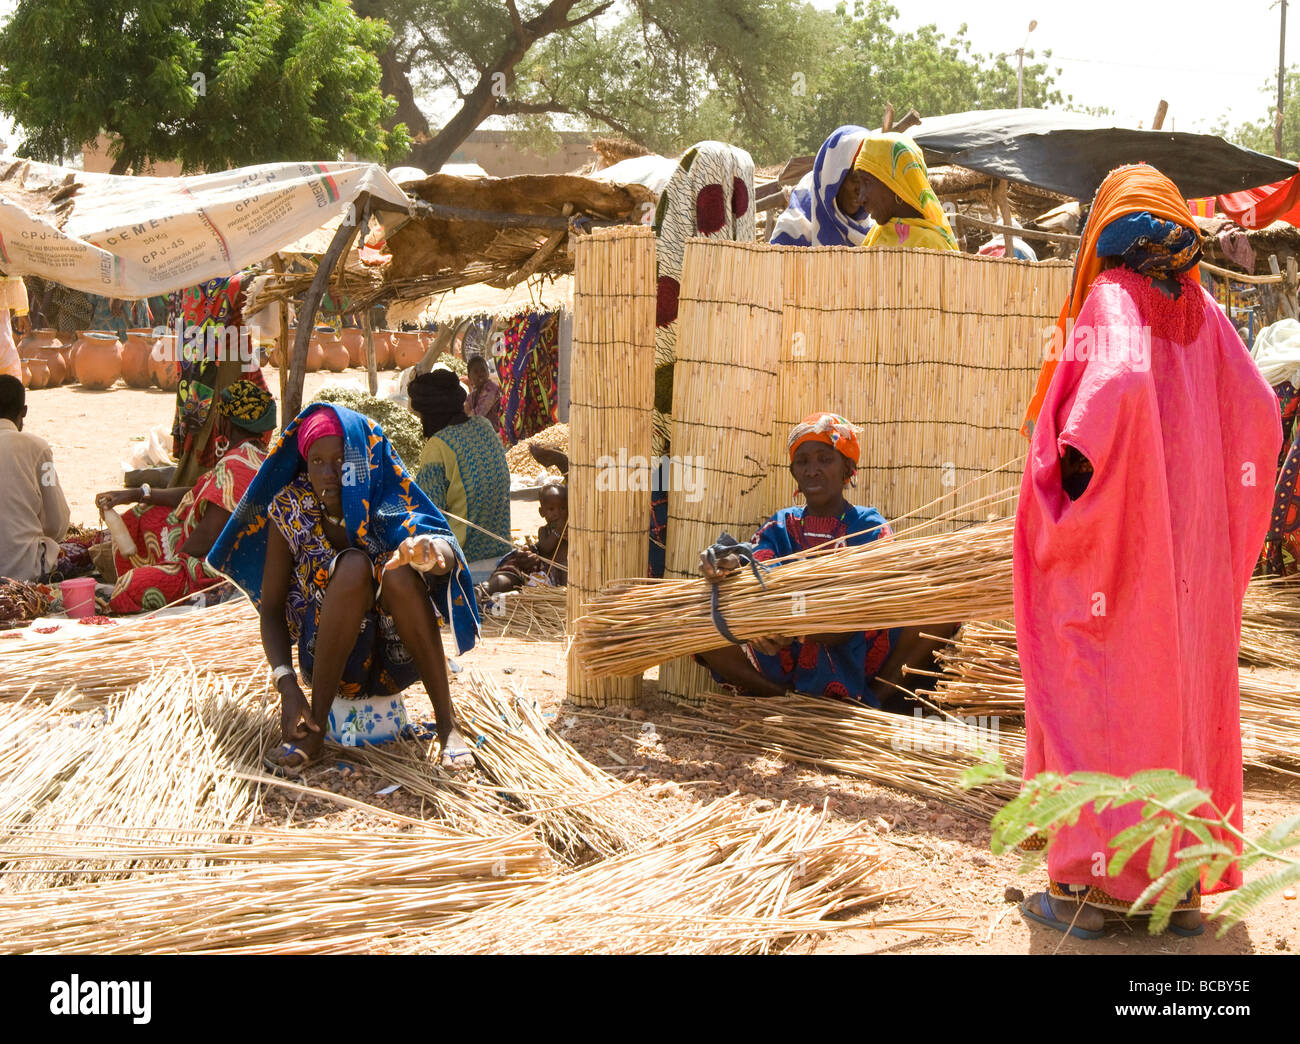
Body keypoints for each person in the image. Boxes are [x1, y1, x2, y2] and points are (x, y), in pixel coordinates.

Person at [1014, 164, 1282, 939]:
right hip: (1190, 567)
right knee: (1180, 707)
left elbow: (1118, 384)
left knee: (1099, 694)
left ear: (1104, 233)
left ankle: (1086, 897)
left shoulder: (1111, 298)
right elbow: (1263, 415)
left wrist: (1080, 479)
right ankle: (1183, 895)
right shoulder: (1203, 311)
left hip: (1118, 557)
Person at [207, 404, 481, 773]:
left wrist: (430, 555)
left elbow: (441, 546)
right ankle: (316, 730)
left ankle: (447, 725)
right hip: (326, 663)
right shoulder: (291, 507)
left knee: (398, 574)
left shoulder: (386, 499)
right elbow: (270, 609)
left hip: (398, 660)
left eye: (341, 459)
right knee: (352, 566)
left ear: (362, 459)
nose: (329, 473)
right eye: (316, 461)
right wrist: (286, 685)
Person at [697, 413, 944, 705]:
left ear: (847, 469)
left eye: (825, 459)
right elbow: (758, 568)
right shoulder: (781, 526)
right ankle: (787, 701)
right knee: (699, 622)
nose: (812, 470)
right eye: (802, 462)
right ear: (794, 473)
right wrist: (728, 569)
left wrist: (794, 622)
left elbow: (858, 608)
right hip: (785, 655)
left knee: (943, 608)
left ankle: (872, 703)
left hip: (856, 654)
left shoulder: (869, 526)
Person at [95, 381, 275, 613]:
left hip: (215, 570)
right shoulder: (253, 455)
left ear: (225, 422)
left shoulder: (234, 467)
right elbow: (195, 491)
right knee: (141, 515)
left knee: (127, 589)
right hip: (228, 555)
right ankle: (154, 571)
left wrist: (174, 563)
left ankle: (157, 581)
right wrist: (137, 494)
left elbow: (208, 535)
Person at [168, 272, 270, 486]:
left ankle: (215, 474)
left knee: (222, 418)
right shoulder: (229, 284)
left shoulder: (188, 283)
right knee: (216, 419)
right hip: (219, 366)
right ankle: (211, 479)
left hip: (212, 365)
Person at [409, 368, 511, 578]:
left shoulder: (438, 445)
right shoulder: (483, 426)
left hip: (463, 556)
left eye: (420, 416)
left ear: (430, 414)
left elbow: (429, 514)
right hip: (501, 548)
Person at [0, 374, 71, 583]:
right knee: (80, 554)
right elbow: (57, 523)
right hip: (26, 569)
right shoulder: (39, 448)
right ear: (24, 412)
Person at [851, 133, 959, 252]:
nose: (861, 199)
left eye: (867, 182)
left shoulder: (930, 247)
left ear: (897, 185)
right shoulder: (877, 235)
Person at [771, 125, 875, 247]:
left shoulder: (874, 234)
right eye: (854, 178)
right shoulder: (790, 236)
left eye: (867, 182)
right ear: (832, 177)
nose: (861, 190)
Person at [483, 481, 568, 596]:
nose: (557, 513)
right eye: (551, 509)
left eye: (562, 508)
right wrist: (557, 532)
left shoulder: (571, 530)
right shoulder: (544, 531)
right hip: (548, 573)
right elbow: (545, 548)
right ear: (542, 512)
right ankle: (486, 589)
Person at [464, 355, 502, 431]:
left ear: (488, 372)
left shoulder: (491, 388)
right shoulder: (473, 394)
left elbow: (478, 415)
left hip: (495, 432)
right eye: (476, 372)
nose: (480, 374)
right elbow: (465, 410)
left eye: (483, 370)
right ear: (469, 377)